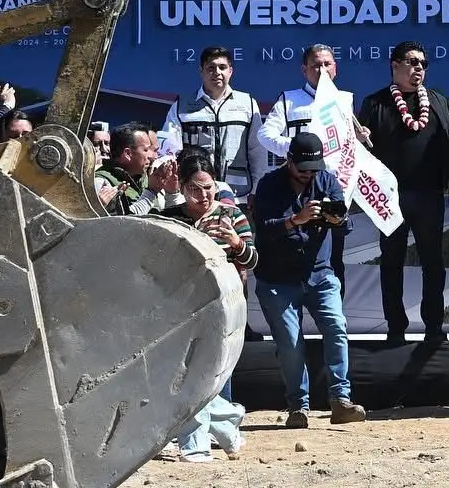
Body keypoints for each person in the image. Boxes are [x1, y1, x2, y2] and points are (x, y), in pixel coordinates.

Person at [252, 132, 367, 428]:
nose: (309, 174)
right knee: (290, 343)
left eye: (314, 168)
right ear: (289, 161)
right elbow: (263, 229)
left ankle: (340, 400)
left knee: (337, 327)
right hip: (278, 279)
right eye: (303, 168)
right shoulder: (269, 184)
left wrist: (338, 220)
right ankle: (298, 407)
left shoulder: (326, 180)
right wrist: (296, 220)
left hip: (320, 273)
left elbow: (345, 222)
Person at [357, 41, 449, 346]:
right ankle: (395, 328)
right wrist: (361, 138)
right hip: (389, 199)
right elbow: (359, 151)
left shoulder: (436, 100)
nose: (419, 68)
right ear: (395, 65)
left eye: (423, 64)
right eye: (412, 62)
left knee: (433, 263)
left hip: (429, 195)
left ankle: (434, 327)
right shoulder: (375, 103)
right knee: (391, 263)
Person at [157, 149, 255, 460]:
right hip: (181, 311)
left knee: (199, 378)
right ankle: (226, 424)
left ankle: (196, 447)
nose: (203, 195)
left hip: (224, 309)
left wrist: (236, 244)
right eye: (194, 189)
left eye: (208, 187)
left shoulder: (232, 215)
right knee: (188, 377)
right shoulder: (170, 218)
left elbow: (253, 259)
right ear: (182, 187)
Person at [257, 44, 370, 287]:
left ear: (335, 68)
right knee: (293, 247)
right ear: (304, 70)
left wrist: (358, 139)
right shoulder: (289, 100)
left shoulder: (343, 100)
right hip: (296, 185)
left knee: (333, 257)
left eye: (327, 64)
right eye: (316, 65)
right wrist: (297, 150)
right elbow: (265, 135)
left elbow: (344, 144)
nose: (322, 70)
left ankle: (332, 305)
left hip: (331, 186)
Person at [158, 46, 270, 207]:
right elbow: (169, 150)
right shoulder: (182, 105)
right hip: (195, 196)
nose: (217, 72)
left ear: (230, 71)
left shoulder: (248, 104)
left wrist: (256, 190)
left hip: (239, 197)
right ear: (201, 71)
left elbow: (258, 152)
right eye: (210, 68)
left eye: (222, 67)